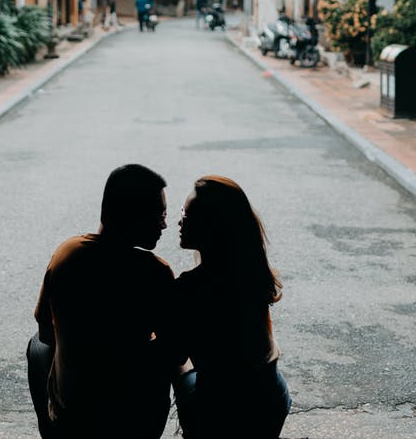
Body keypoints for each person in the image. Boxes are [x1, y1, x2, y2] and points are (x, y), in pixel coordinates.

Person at [27, 164, 182, 438]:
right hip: (135, 422)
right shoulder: (154, 272)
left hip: (71, 420)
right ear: (130, 216)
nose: (164, 224)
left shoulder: (67, 254)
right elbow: (175, 352)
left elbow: (46, 332)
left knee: (37, 347)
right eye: (159, 215)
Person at [171, 175, 291, 438]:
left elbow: (176, 353)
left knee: (174, 364)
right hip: (272, 398)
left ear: (210, 228)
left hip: (223, 409)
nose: (179, 222)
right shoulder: (251, 272)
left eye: (187, 217)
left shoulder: (191, 287)